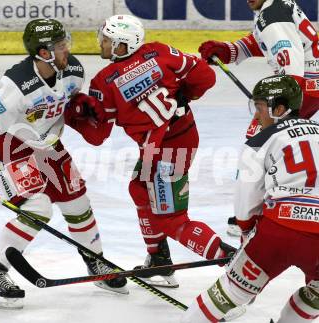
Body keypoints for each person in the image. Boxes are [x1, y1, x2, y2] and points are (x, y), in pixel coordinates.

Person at [0, 18, 128, 310]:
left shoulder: (73, 70)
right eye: (61, 46)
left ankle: (95, 262)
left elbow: (69, 102)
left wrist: (80, 106)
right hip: (12, 145)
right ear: (44, 52)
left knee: (78, 203)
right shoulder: (15, 85)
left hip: (48, 145)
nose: (68, 50)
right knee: (38, 208)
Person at [64, 14, 236, 289]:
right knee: (140, 189)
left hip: (163, 152)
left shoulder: (104, 82)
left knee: (172, 221)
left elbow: (97, 136)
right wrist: (185, 95)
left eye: (107, 40)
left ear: (122, 46)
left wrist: (72, 115)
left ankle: (233, 261)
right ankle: (159, 260)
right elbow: (206, 77)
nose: (102, 43)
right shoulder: (161, 51)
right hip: (184, 135)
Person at [181, 75, 319, 323]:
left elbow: (247, 200)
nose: (255, 116)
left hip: (279, 232)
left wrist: (246, 235)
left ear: (280, 109)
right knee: (315, 297)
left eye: (259, 107)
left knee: (228, 294)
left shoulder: (260, 140)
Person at [198, 0, 319, 236]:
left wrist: (280, 107)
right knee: (278, 140)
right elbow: (261, 40)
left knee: (258, 143)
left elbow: (291, 67)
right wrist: (229, 50)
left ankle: (251, 217)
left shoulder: (273, 16)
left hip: (302, 87)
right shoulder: (275, 7)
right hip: (311, 85)